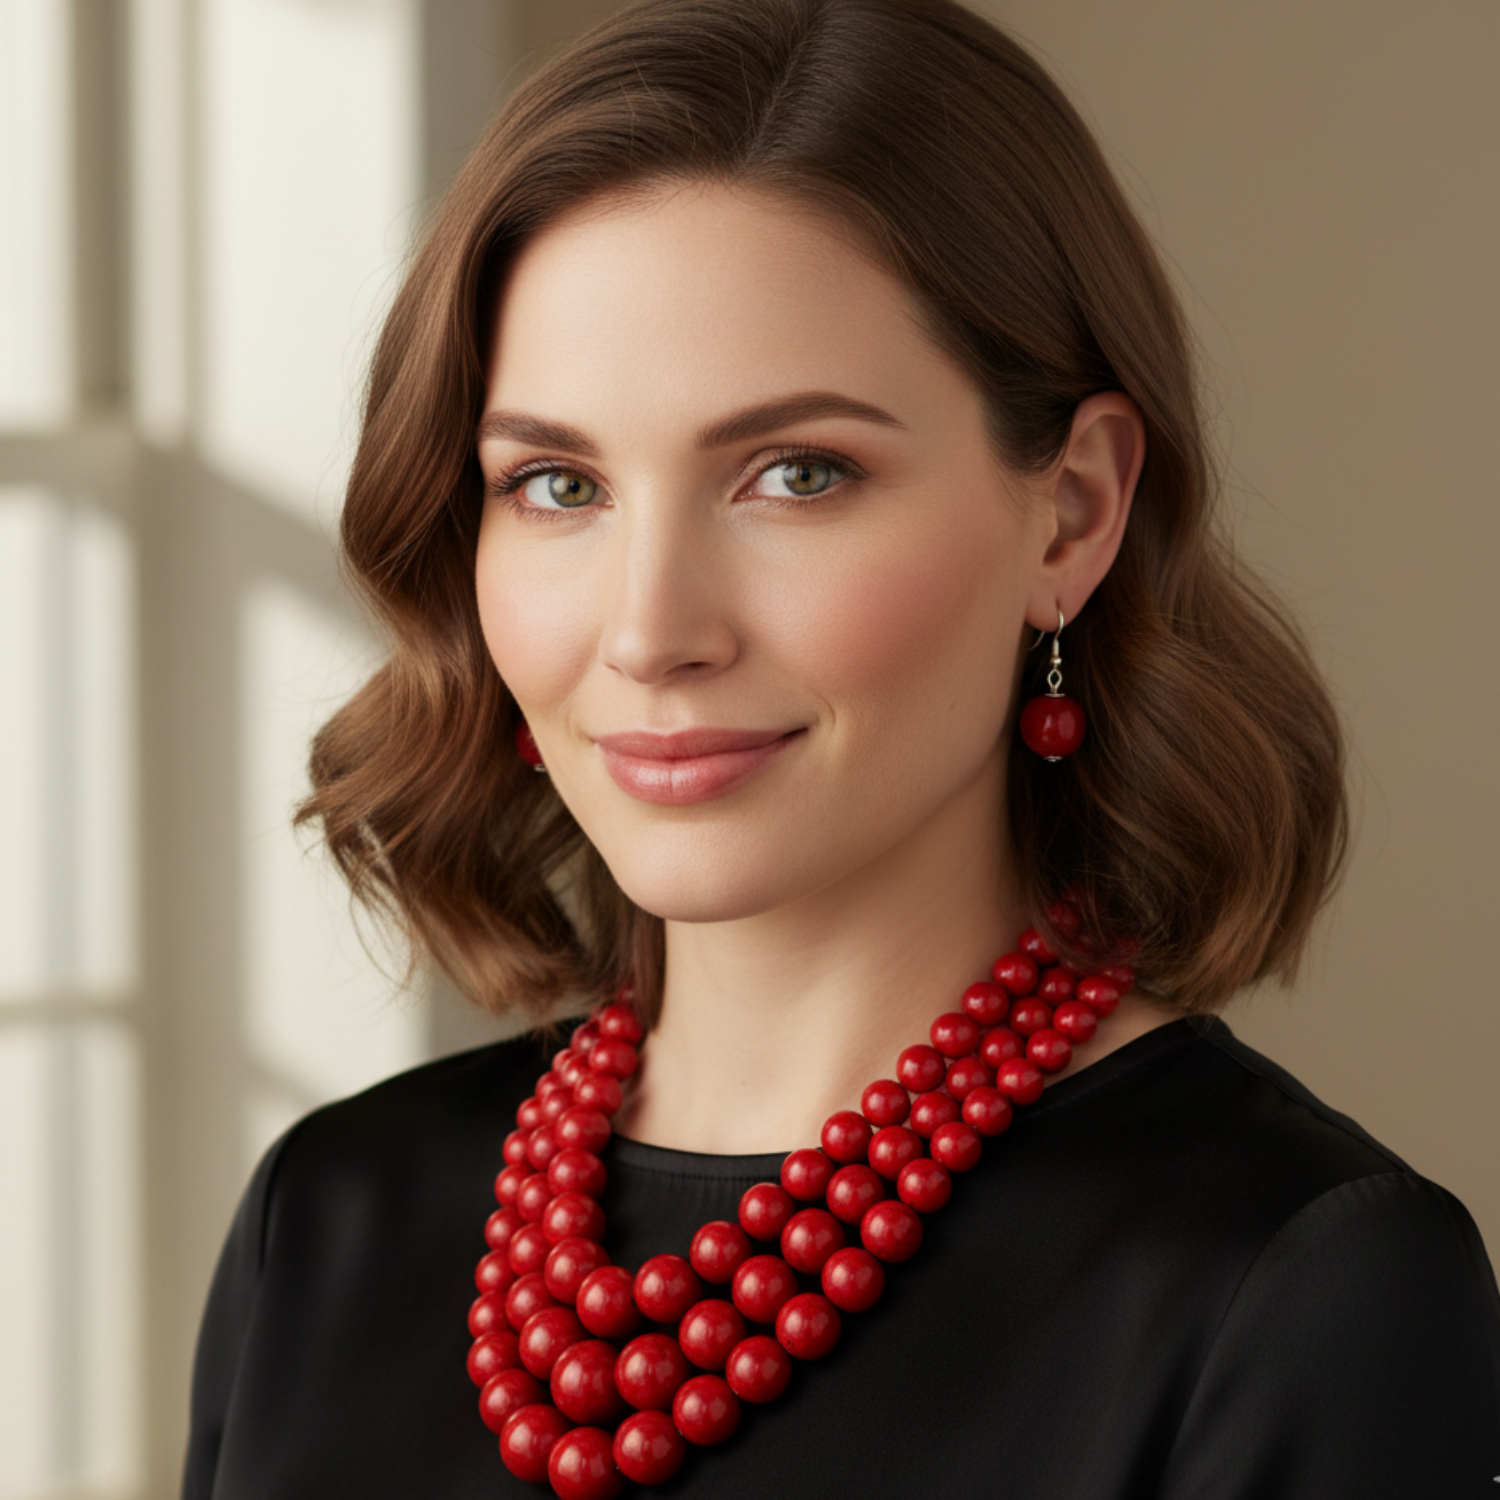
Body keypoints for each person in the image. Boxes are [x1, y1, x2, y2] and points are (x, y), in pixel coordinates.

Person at [181, 0, 1500, 1495]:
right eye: (556, 484)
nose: (649, 628)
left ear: (1071, 514)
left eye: (797, 474)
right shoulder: (326, 1223)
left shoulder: (1299, 1287)